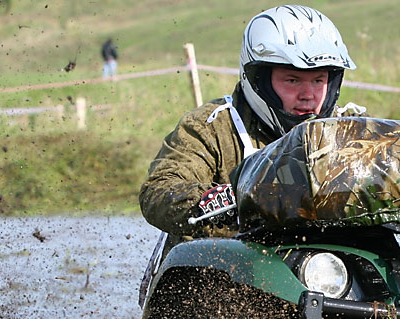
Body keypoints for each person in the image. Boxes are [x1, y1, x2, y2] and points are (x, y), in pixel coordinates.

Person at [139, 5, 357, 240]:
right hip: (223, 266)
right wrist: (236, 201)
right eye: (293, 80)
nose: (308, 94)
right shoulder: (210, 127)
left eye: (318, 80)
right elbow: (158, 191)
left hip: (327, 269)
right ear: (258, 81)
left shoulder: (351, 131)